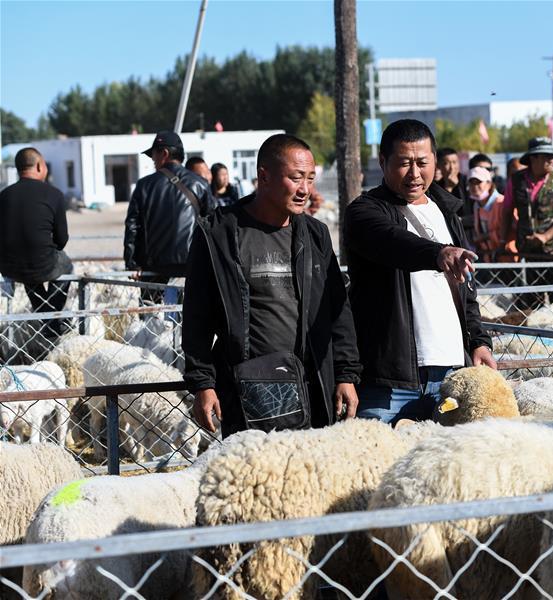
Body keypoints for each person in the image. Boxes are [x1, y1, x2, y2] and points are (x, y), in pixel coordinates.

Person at [183, 134, 360, 437]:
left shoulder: (315, 234)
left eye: (310, 179)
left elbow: (336, 310)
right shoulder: (218, 233)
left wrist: (346, 374)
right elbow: (197, 315)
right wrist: (203, 383)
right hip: (248, 388)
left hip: (312, 384)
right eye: (296, 178)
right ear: (263, 177)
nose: (305, 189)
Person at [344, 119, 495, 425]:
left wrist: (479, 341)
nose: (414, 173)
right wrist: (438, 253)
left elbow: (466, 290)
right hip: (389, 381)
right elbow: (392, 241)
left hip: (452, 374)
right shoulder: (364, 211)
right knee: (376, 467)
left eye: (422, 163)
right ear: (383, 162)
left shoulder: (447, 210)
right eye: (404, 163)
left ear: (435, 162)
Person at [125, 130, 215, 304]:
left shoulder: (145, 186)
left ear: (164, 154)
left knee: (150, 319)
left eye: (154, 155)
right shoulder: (200, 184)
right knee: (192, 315)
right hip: (192, 264)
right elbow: (213, 225)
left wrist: (133, 264)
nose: (153, 160)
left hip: (153, 267)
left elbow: (132, 226)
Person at [0, 147, 73, 347]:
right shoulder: (54, 194)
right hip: (41, 263)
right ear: (40, 166)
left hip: (9, 266)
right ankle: (51, 321)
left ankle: (46, 319)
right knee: (66, 265)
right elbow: (62, 238)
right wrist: (51, 249)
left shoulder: (3, 196)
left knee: (28, 271)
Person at [504, 136, 553, 257]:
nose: (552, 160)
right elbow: (506, 212)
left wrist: (546, 236)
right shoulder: (515, 181)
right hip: (525, 251)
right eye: (547, 156)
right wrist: (502, 241)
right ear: (533, 158)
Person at [467, 166, 505, 259]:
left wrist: (484, 237)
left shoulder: (501, 202)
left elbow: (508, 230)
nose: (474, 186)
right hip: (489, 258)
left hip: (508, 258)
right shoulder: (477, 205)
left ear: (489, 183)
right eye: (471, 183)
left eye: (478, 182)